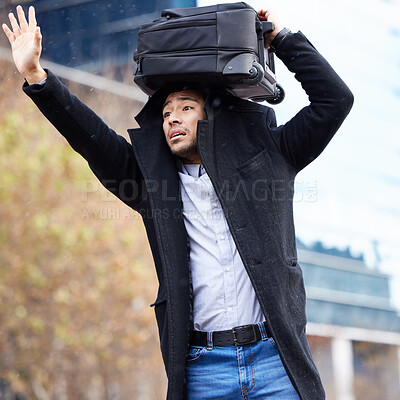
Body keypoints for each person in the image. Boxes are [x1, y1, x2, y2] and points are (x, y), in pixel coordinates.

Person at [2, 5, 353, 400]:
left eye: (186, 107)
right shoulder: (151, 184)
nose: (172, 118)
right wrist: (36, 76)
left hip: (276, 363)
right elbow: (93, 138)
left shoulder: (270, 157)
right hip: (204, 372)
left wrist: (281, 40)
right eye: (167, 112)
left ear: (212, 117)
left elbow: (334, 101)